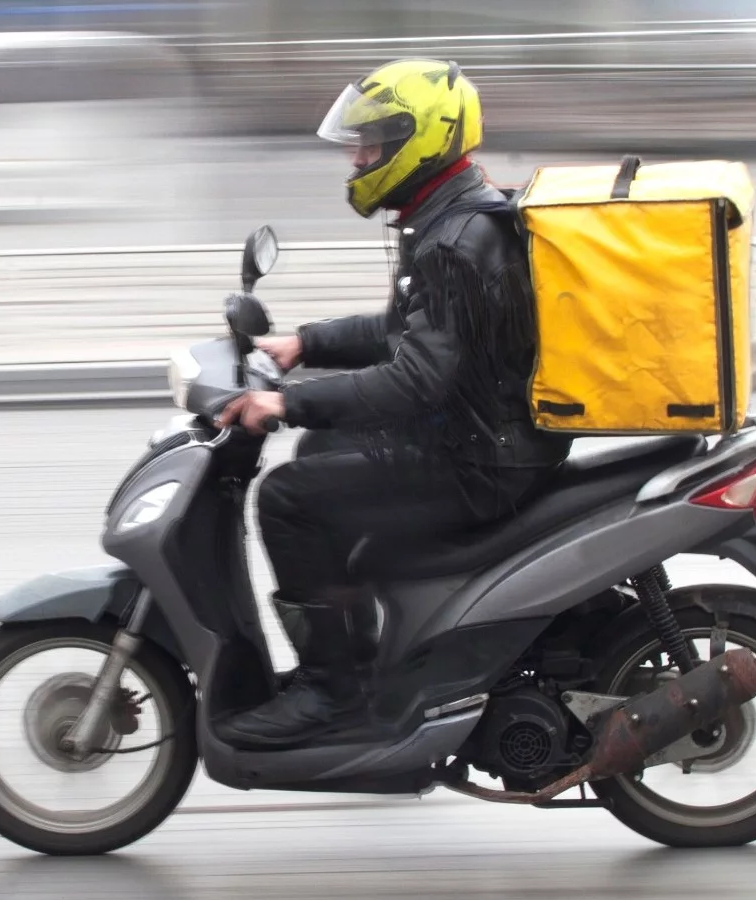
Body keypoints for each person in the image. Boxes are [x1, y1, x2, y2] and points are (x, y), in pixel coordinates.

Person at [216, 59, 572, 749]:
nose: (357, 155)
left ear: (422, 140)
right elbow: (405, 333)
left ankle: (333, 693)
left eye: (372, 142)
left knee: (289, 498)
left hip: (479, 460)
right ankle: (366, 659)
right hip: (486, 439)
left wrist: (283, 404)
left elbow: (413, 380)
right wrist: (303, 344)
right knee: (323, 457)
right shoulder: (451, 216)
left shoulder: (454, 239)